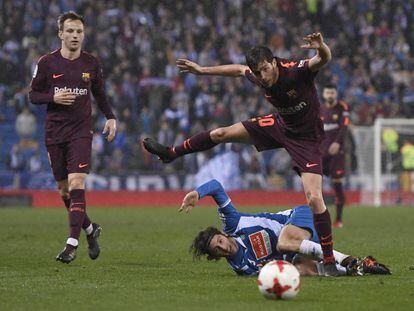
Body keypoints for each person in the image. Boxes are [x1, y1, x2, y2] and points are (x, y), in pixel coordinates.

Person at [144, 33, 339, 274]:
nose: (262, 77)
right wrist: (202, 71)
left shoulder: (295, 71)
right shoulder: (258, 76)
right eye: (257, 73)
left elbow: (321, 59)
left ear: (274, 62)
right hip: (279, 126)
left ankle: (328, 260)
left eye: (265, 70)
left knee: (314, 199)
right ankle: (171, 153)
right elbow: (238, 69)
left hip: (307, 138)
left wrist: (321, 47)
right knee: (219, 134)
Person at [29, 11, 117, 263]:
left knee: (77, 183)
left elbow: (100, 94)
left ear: (83, 34)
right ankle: (91, 230)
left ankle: (71, 244)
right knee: (65, 191)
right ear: (60, 34)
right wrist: (52, 98)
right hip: (54, 133)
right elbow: (33, 96)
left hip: (80, 133)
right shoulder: (46, 63)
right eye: (70, 31)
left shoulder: (91, 63)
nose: (75, 35)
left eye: (79, 31)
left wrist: (111, 117)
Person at [182, 179, 390, 277]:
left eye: (219, 241)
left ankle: (348, 259)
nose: (222, 248)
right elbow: (276, 268)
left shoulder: (233, 223)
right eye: (216, 250)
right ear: (215, 257)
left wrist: (197, 193)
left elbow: (217, 186)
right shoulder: (243, 269)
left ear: (223, 234)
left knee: (284, 242)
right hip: (301, 247)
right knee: (301, 269)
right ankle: (361, 267)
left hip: (299, 218)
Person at [320, 84, 350, 228]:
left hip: (337, 152)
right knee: (315, 183)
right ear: (324, 94)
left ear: (336, 93)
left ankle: (338, 219)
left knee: (336, 183)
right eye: (328, 92)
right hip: (321, 151)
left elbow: (344, 127)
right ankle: (318, 218)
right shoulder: (319, 109)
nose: (330, 95)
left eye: (332, 92)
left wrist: (337, 143)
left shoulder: (342, 107)